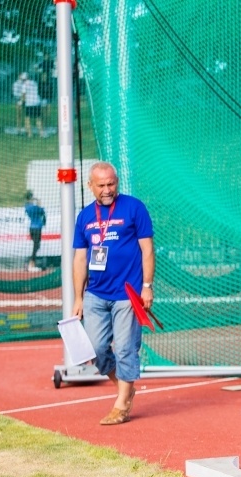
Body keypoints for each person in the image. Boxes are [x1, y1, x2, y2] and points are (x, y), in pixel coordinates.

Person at [72, 161, 155, 425]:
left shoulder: (134, 208)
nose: (107, 189)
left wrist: (147, 286)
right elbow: (79, 258)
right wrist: (78, 297)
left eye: (112, 183)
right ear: (90, 186)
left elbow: (147, 250)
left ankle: (121, 404)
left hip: (127, 294)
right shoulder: (85, 217)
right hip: (96, 293)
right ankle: (126, 386)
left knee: (126, 348)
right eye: (102, 185)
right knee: (94, 347)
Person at [24, 191, 46, 272]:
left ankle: (32, 262)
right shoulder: (35, 207)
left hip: (31, 228)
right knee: (36, 246)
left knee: (36, 245)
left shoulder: (27, 207)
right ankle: (31, 263)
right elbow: (42, 211)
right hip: (37, 228)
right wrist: (38, 202)